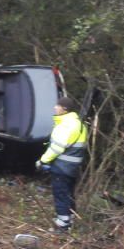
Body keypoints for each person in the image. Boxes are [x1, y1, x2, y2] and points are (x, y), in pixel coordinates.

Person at [35, 96, 88, 232]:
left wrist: (43, 161)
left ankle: (62, 225)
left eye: (57, 106)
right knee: (69, 193)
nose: (55, 107)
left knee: (61, 194)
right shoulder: (79, 124)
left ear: (64, 109)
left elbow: (56, 148)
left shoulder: (66, 125)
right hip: (73, 167)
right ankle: (70, 219)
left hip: (62, 167)